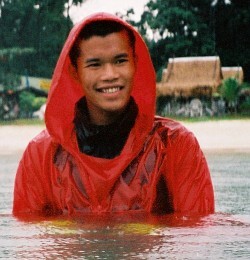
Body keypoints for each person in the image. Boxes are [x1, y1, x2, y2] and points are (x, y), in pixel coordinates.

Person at [13, 13, 214, 217]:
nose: (110, 75)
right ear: (74, 71)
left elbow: (197, 235)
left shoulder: (175, 145)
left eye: (120, 61)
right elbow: (29, 238)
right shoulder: (41, 155)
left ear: (135, 63)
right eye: (95, 64)